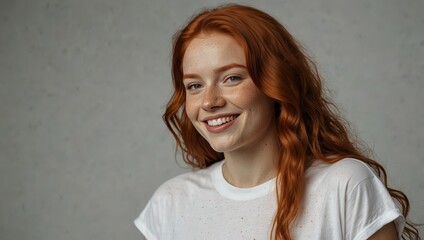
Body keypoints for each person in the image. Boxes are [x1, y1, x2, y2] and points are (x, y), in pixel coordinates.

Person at [134, 4, 420, 240]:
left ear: (275, 84)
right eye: (194, 85)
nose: (209, 101)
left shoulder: (344, 186)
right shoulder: (171, 203)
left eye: (232, 78)